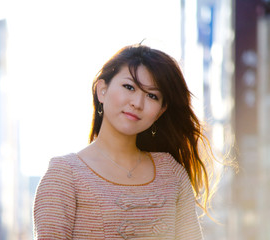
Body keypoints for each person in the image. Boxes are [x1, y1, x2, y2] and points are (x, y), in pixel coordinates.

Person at [33, 44, 216, 239]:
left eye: (152, 96)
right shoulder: (64, 175)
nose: (137, 103)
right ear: (101, 90)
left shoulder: (171, 173)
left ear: (160, 111)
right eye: (129, 87)